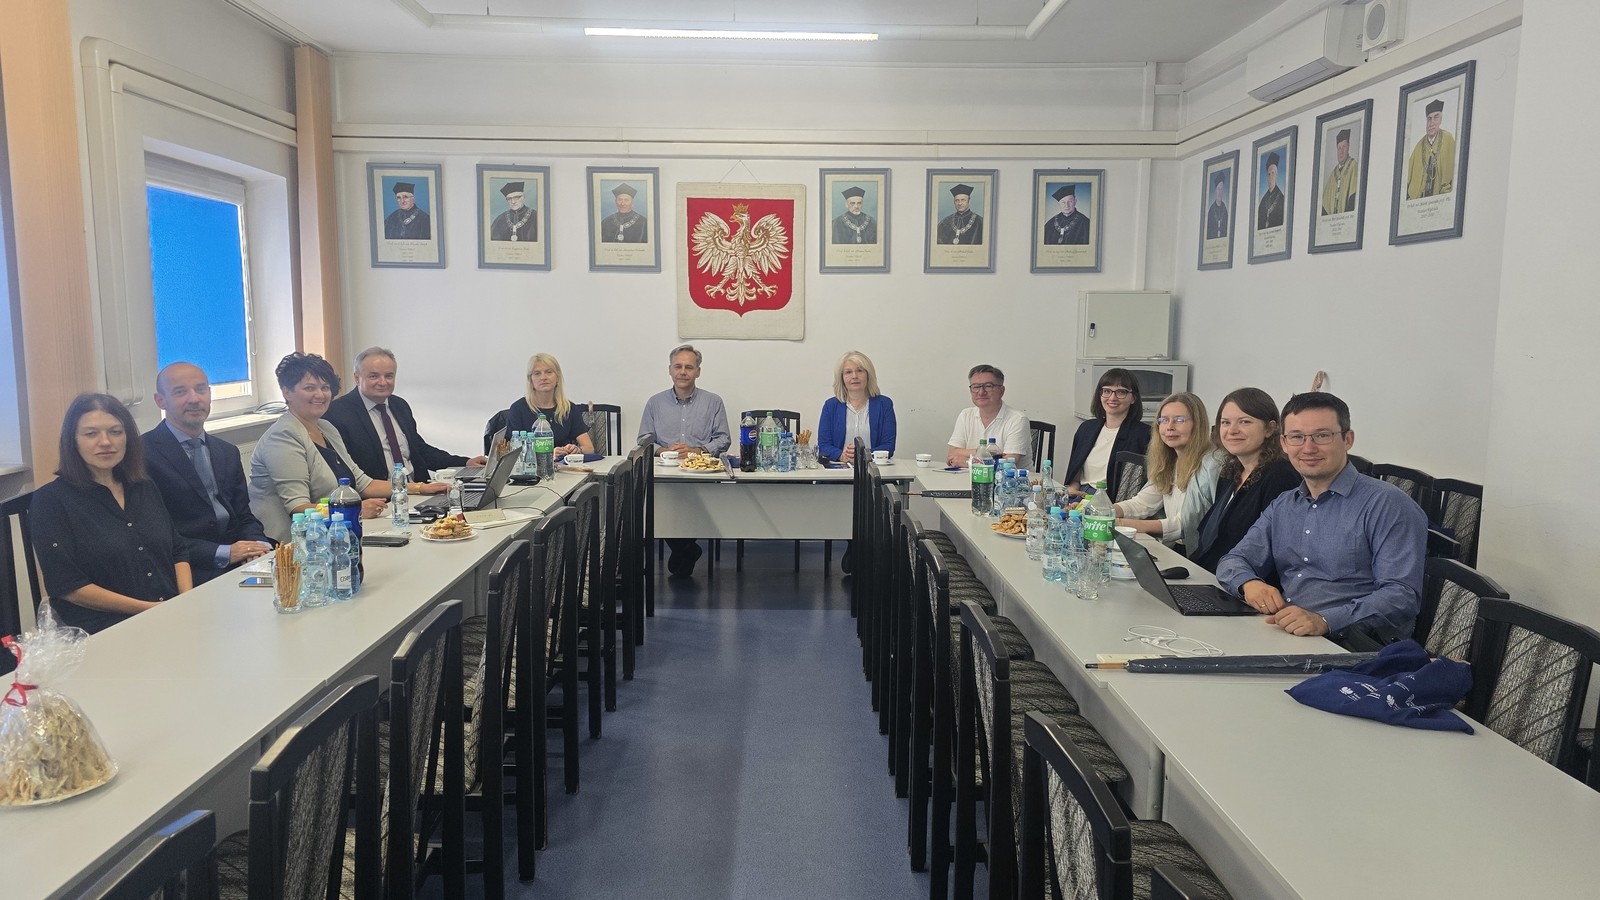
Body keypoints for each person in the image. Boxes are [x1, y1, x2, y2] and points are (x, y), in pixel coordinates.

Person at [1216, 392, 1427, 639]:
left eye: (1322, 435)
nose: (1308, 448)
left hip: (1352, 645)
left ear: (1348, 439)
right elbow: (1233, 560)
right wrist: (1249, 584)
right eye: (1297, 437)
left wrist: (1325, 621)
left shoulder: (1387, 504)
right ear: (1284, 443)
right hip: (1287, 633)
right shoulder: (1284, 504)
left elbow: (1401, 596)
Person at [30, 393, 192, 634]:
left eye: (115, 432)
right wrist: (151, 610)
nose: (105, 442)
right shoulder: (51, 500)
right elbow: (67, 586)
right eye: (91, 434)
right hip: (101, 629)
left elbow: (177, 550)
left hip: (167, 614)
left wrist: (186, 600)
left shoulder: (144, 486)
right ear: (73, 441)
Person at [250, 352, 428, 543]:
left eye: (325, 387)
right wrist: (355, 509)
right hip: (293, 544)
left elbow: (364, 483)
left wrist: (422, 488)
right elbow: (298, 507)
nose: (320, 395)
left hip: (335, 533)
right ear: (287, 392)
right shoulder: (282, 436)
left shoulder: (326, 427)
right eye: (309, 388)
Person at [143, 362, 273, 585]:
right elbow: (156, 535)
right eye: (180, 392)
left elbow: (244, 516)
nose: (194, 399)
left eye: (201, 389)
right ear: (160, 401)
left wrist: (258, 547)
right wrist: (224, 553)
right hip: (188, 568)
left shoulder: (227, 451)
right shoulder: (143, 455)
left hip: (238, 557)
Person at [324, 346, 485, 483]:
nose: (383, 382)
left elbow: (420, 450)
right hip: (379, 499)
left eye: (389, 376)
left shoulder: (399, 405)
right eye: (374, 376)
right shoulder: (337, 413)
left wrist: (465, 462)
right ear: (357, 378)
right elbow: (343, 468)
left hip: (418, 491)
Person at [638, 345, 730, 577]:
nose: (683, 372)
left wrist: (697, 450)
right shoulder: (655, 403)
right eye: (678, 366)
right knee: (661, 505)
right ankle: (687, 548)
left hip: (702, 475)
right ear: (669, 370)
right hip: (664, 474)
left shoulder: (713, 402)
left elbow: (724, 439)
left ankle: (684, 547)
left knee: (692, 504)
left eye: (689, 367)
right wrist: (664, 451)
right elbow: (643, 440)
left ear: (698, 371)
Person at [1190, 387, 1300, 573]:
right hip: (1211, 574)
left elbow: (1272, 552)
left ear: (1270, 429)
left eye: (1245, 422)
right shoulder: (1231, 472)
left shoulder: (1280, 476)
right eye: (1225, 422)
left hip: (1244, 582)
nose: (1232, 430)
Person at [1112, 392, 1221, 553]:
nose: (1169, 427)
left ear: (1197, 425)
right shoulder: (1169, 460)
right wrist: (1102, 510)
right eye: (1163, 420)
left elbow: (1185, 524)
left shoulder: (1210, 464)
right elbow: (1142, 503)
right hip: (1176, 547)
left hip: (1199, 553)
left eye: (1179, 420)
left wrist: (1120, 523)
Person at [1063, 368, 1152, 500]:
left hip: (1112, 501)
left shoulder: (1144, 434)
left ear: (1133, 398)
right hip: (1080, 496)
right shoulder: (1087, 428)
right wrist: (1072, 491)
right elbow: (1075, 477)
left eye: (1121, 392)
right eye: (1107, 391)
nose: (1112, 398)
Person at [503, 352, 595, 458]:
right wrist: (548, 454)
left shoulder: (569, 408)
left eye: (549, 372)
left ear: (557, 377)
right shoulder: (518, 409)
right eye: (537, 373)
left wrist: (577, 450)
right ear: (530, 379)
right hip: (531, 467)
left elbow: (589, 448)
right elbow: (513, 452)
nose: (543, 377)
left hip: (564, 466)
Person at [817, 350, 896, 464]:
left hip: (873, 469)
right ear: (842, 378)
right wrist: (842, 456)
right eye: (848, 372)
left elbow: (888, 447)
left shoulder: (884, 404)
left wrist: (862, 454)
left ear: (868, 375)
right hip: (839, 470)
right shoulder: (830, 406)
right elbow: (823, 446)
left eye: (859, 371)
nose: (854, 376)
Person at [946, 364, 1030, 466]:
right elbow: (952, 453)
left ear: (1001, 391)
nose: (981, 392)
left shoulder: (1018, 419)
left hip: (1009, 476)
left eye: (988, 386)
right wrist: (983, 451)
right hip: (969, 475)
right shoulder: (965, 415)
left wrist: (967, 462)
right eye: (976, 387)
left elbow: (1007, 463)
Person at [1405, 98, 1456, 199]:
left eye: (1436, 117)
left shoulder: (1448, 139)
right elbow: (1406, 177)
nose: (1431, 123)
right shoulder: (1419, 145)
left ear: (1441, 119)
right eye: (1429, 118)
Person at [1320, 129, 1359, 215]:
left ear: (1348, 147)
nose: (1341, 151)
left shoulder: (1354, 166)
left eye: (1344, 147)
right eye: (1339, 148)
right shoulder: (1333, 173)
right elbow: (1324, 204)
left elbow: (1354, 198)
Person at [1256, 152, 1284, 229]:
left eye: (1273, 173)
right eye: (1269, 174)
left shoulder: (1282, 199)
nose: (1271, 176)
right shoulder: (1263, 201)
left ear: (1276, 174)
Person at [1205, 174, 1230, 239]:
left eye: (1221, 189)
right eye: (1218, 189)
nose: (1220, 192)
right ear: (1215, 190)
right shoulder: (1211, 210)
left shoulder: (1225, 210)